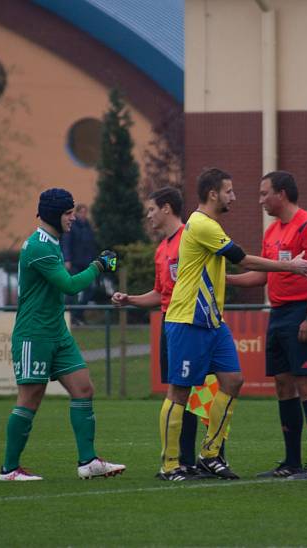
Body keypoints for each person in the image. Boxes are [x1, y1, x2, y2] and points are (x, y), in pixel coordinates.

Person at [158, 167, 307, 481]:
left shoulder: (209, 225)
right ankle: (169, 465)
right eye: (229, 191)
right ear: (213, 194)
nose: (235, 196)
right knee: (179, 392)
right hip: (187, 318)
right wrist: (292, 265)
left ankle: (209, 454)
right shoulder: (202, 223)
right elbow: (243, 260)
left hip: (212, 322)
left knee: (233, 381)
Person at [0, 188, 125, 481]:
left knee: (83, 388)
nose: (73, 218)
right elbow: (69, 285)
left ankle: (88, 462)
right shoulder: (39, 246)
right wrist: (98, 265)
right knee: (30, 399)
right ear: (55, 213)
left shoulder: (53, 241)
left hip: (57, 332)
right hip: (34, 334)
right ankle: (9, 469)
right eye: (68, 213)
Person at [226, 171, 307, 480]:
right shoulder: (272, 231)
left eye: (263, 193)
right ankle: (291, 462)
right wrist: (225, 279)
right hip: (278, 313)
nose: (260, 200)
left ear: (281, 193)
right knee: (283, 386)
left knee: (305, 384)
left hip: (302, 312)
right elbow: (262, 276)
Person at [111, 186, 211, 477]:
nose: (148, 215)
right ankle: (183, 461)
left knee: (187, 391)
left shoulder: (190, 238)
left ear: (167, 208)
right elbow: (159, 293)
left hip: (191, 322)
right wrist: (130, 299)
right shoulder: (161, 249)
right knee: (179, 390)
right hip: (170, 323)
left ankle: (188, 460)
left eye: (152, 209)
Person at [61, 203, 98, 325]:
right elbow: (66, 243)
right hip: (74, 263)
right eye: (81, 212)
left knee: (90, 289)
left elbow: (91, 246)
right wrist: (67, 259)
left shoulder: (88, 227)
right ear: (76, 213)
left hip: (87, 263)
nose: (83, 215)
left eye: (85, 212)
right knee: (72, 290)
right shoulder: (72, 227)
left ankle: (78, 314)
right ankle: (69, 317)